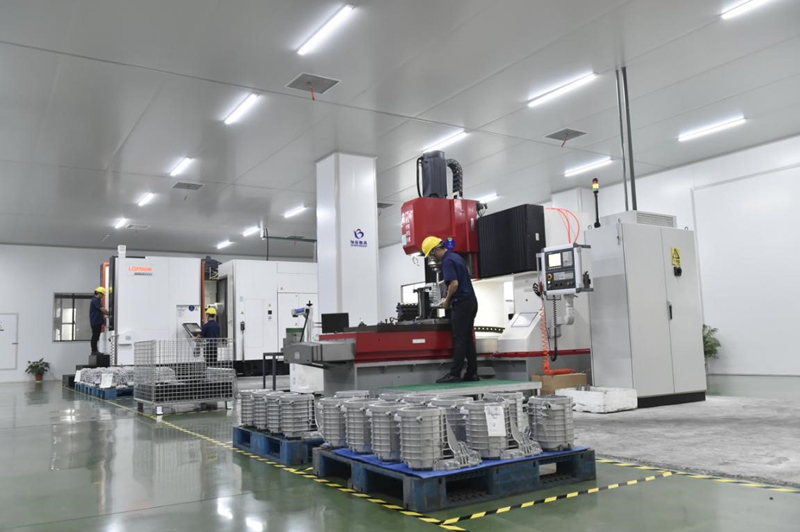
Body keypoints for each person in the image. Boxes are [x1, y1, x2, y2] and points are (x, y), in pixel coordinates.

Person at [421, 236, 479, 383]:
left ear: (435, 250)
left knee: (459, 339)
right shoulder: (456, 257)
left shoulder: (447, 261)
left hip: (461, 303)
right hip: (471, 302)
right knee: (467, 338)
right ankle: (472, 373)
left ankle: (455, 374)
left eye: (431, 255)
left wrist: (446, 301)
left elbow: (454, 284)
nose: (433, 259)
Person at [89, 287, 109, 353]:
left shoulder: (96, 300)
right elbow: (102, 309)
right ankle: (94, 350)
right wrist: (110, 313)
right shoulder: (95, 300)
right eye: (102, 294)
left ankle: (95, 350)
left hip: (97, 321)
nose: (103, 296)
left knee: (96, 336)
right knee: (95, 336)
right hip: (95, 322)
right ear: (99, 293)